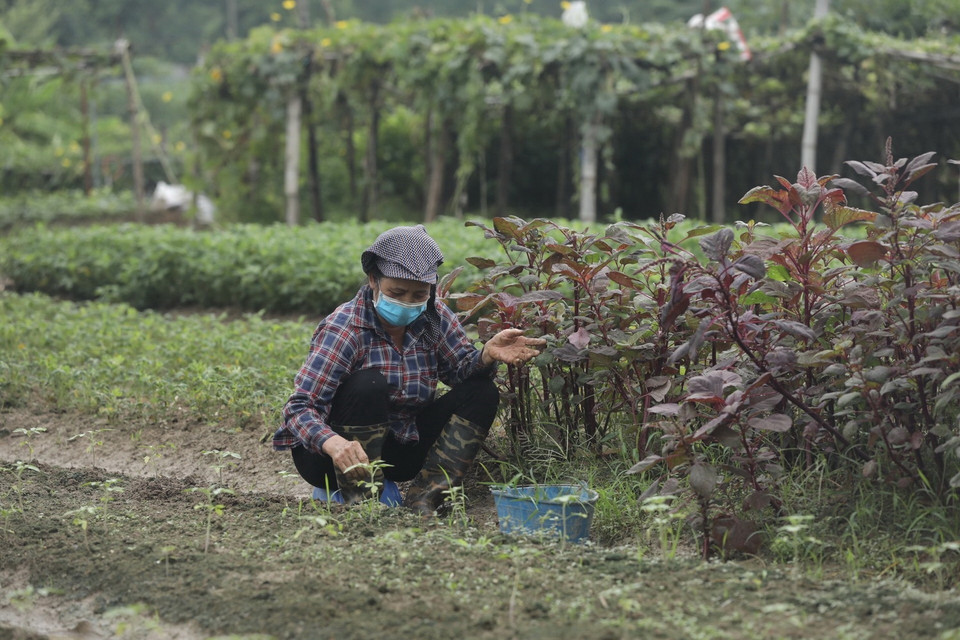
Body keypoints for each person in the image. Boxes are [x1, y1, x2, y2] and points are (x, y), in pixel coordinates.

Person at [272, 224, 545, 515]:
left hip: (399, 445)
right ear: (373, 280)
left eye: (418, 295)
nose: (407, 303)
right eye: (397, 292)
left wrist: (486, 356)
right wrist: (333, 443)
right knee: (369, 384)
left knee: (481, 391)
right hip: (329, 457)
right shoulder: (346, 329)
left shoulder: (431, 319)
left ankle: (426, 500)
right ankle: (360, 500)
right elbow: (299, 407)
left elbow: (459, 372)